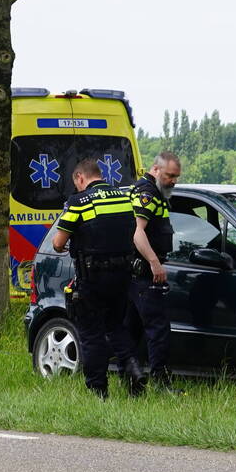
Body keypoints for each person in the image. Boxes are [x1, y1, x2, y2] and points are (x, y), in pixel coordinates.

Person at [53, 157, 146, 399]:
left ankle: (98, 390)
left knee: (91, 333)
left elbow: (58, 243)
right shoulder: (124, 198)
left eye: (77, 183)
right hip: (123, 277)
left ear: (81, 178)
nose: (78, 188)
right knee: (116, 326)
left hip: (92, 279)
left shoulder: (78, 202)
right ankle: (134, 369)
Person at [128, 152, 182, 391]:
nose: (173, 181)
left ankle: (133, 381)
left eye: (176, 177)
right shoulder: (148, 193)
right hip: (143, 274)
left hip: (136, 274)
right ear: (156, 169)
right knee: (157, 328)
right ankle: (160, 381)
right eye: (170, 175)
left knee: (132, 329)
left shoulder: (155, 192)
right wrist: (154, 262)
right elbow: (138, 232)